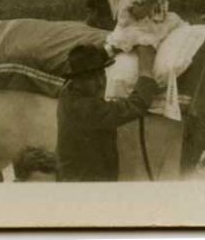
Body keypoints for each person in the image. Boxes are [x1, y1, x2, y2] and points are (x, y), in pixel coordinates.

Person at [56, 43, 159, 182]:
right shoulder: (86, 108)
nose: (100, 82)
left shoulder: (68, 90)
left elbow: (94, 58)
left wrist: (118, 45)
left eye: (102, 74)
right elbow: (135, 105)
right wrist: (146, 72)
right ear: (77, 80)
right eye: (91, 77)